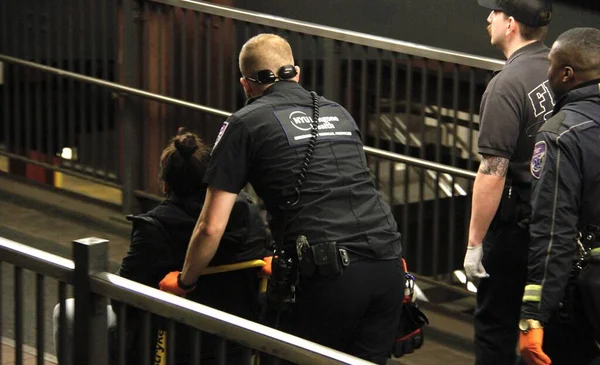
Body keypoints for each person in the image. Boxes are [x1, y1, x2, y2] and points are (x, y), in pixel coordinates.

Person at [159, 33, 405, 365]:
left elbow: (210, 227)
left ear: (245, 84)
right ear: (297, 73)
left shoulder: (244, 123)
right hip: (389, 266)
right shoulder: (339, 113)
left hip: (330, 276)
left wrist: (186, 281)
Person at [53, 130, 271, 364]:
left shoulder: (155, 228)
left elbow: (122, 300)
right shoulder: (247, 214)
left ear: (165, 186)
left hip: (165, 348)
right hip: (237, 345)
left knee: (67, 312)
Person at [462, 1, 554, 364]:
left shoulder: (506, 85)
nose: (488, 19)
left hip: (516, 226)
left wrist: (475, 242)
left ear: (511, 24)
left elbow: (492, 171)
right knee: (543, 325)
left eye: (495, 13)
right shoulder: (560, 67)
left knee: (495, 328)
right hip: (556, 219)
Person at [518, 27, 600, 365]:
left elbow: (553, 230)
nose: (546, 73)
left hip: (584, 293)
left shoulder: (560, 134)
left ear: (567, 74)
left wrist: (533, 316)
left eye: (550, 65)